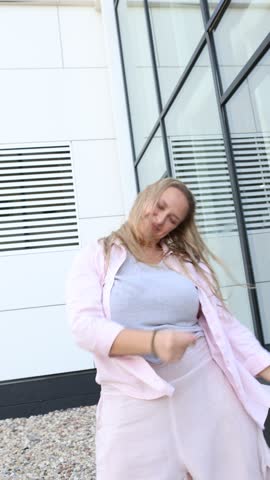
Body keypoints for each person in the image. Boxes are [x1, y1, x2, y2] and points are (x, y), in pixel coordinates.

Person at [66, 178, 270, 480]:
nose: (160, 220)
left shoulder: (186, 265)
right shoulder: (98, 256)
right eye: (159, 207)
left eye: (172, 219)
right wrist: (152, 342)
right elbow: (84, 326)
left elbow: (228, 327)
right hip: (133, 396)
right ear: (145, 198)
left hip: (207, 388)